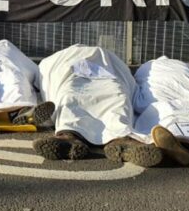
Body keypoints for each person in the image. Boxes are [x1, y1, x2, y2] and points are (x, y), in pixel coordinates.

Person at [32, 45, 163, 167]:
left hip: (99, 69)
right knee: (115, 95)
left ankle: (70, 135)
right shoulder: (63, 57)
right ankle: (120, 137)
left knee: (75, 95)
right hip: (92, 69)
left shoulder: (58, 58)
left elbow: (43, 81)